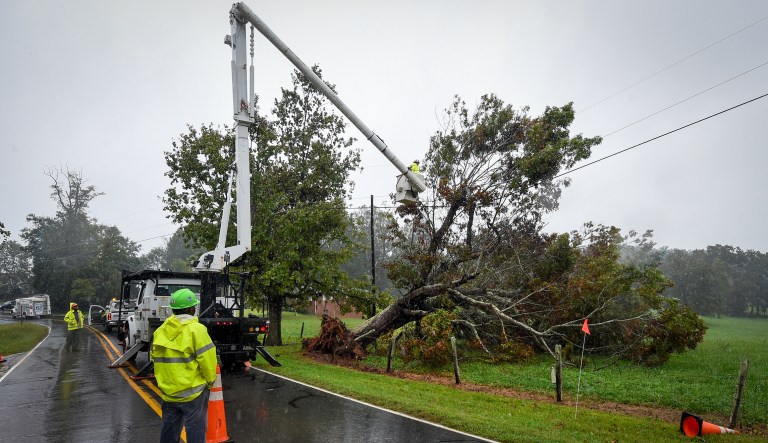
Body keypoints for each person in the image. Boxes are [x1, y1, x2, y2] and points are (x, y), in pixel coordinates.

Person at [152, 288, 217, 443]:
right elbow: (208, 361)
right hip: (192, 393)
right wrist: (210, 381)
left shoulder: (160, 331)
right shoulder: (197, 330)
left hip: (169, 392)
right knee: (195, 430)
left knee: (169, 430)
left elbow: (156, 361)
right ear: (190, 309)